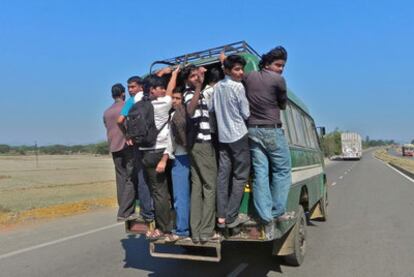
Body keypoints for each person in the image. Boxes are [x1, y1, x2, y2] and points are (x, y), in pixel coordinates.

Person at [241, 46, 294, 238]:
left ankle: (264, 216)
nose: (281, 69)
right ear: (268, 63)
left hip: (252, 130)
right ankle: (276, 211)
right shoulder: (278, 81)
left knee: (260, 172)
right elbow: (283, 104)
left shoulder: (249, 77)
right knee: (281, 170)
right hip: (271, 130)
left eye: (282, 66)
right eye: (278, 65)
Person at [210, 55, 251, 229]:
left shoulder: (217, 87)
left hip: (223, 137)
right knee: (240, 176)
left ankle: (220, 215)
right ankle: (231, 216)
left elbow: (211, 108)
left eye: (241, 69)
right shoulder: (238, 87)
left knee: (223, 176)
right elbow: (246, 113)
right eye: (236, 69)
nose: (240, 72)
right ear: (226, 70)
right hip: (239, 135)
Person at [138, 67, 179, 241]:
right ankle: (165, 229)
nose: (162, 90)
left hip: (145, 153)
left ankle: (156, 223)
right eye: (158, 88)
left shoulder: (139, 102)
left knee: (155, 190)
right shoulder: (163, 104)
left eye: (163, 87)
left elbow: (147, 88)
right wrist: (175, 74)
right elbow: (170, 91)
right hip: (160, 152)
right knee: (161, 193)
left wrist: (159, 74)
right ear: (152, 90)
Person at [181, 65, 219, 243]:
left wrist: (200, 75)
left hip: (195, 145)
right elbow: (190, 111)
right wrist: (198, 86)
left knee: (197, 187)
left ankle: (195, 231)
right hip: (202, 143)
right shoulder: (190, 93)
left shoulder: (198, 91)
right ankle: (206, 231)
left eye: (198, 75)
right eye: (193, 76)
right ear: (187, 79)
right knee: (210, 186)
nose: (197, 77)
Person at [117, 76, 154, 222]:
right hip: (151, 142)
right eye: (129, 87)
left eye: (132, 87)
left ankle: (146, 211)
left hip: (137, 144)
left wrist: (127, 136)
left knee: (141, 176)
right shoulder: (147, 99)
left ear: (140, 87)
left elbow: (120, 121)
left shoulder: (131, 102)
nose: (130, 90)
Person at [103, 83, 137, 221]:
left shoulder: (106, 112)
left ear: (112, 95)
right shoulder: (127, 106)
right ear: (123, 93)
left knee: (120, 178)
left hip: (114, 147)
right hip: (127, 145)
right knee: (131, 178)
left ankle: (122, 206)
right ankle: (126, 210)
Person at [168, 89, 191, 240]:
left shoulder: (174, 116)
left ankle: (182, 229)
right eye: (173, 98)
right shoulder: (191, 114)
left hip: (180, 157)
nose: (175, 101)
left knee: (180, 196)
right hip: (193, 156)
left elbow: (171, 142)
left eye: (178, 98)